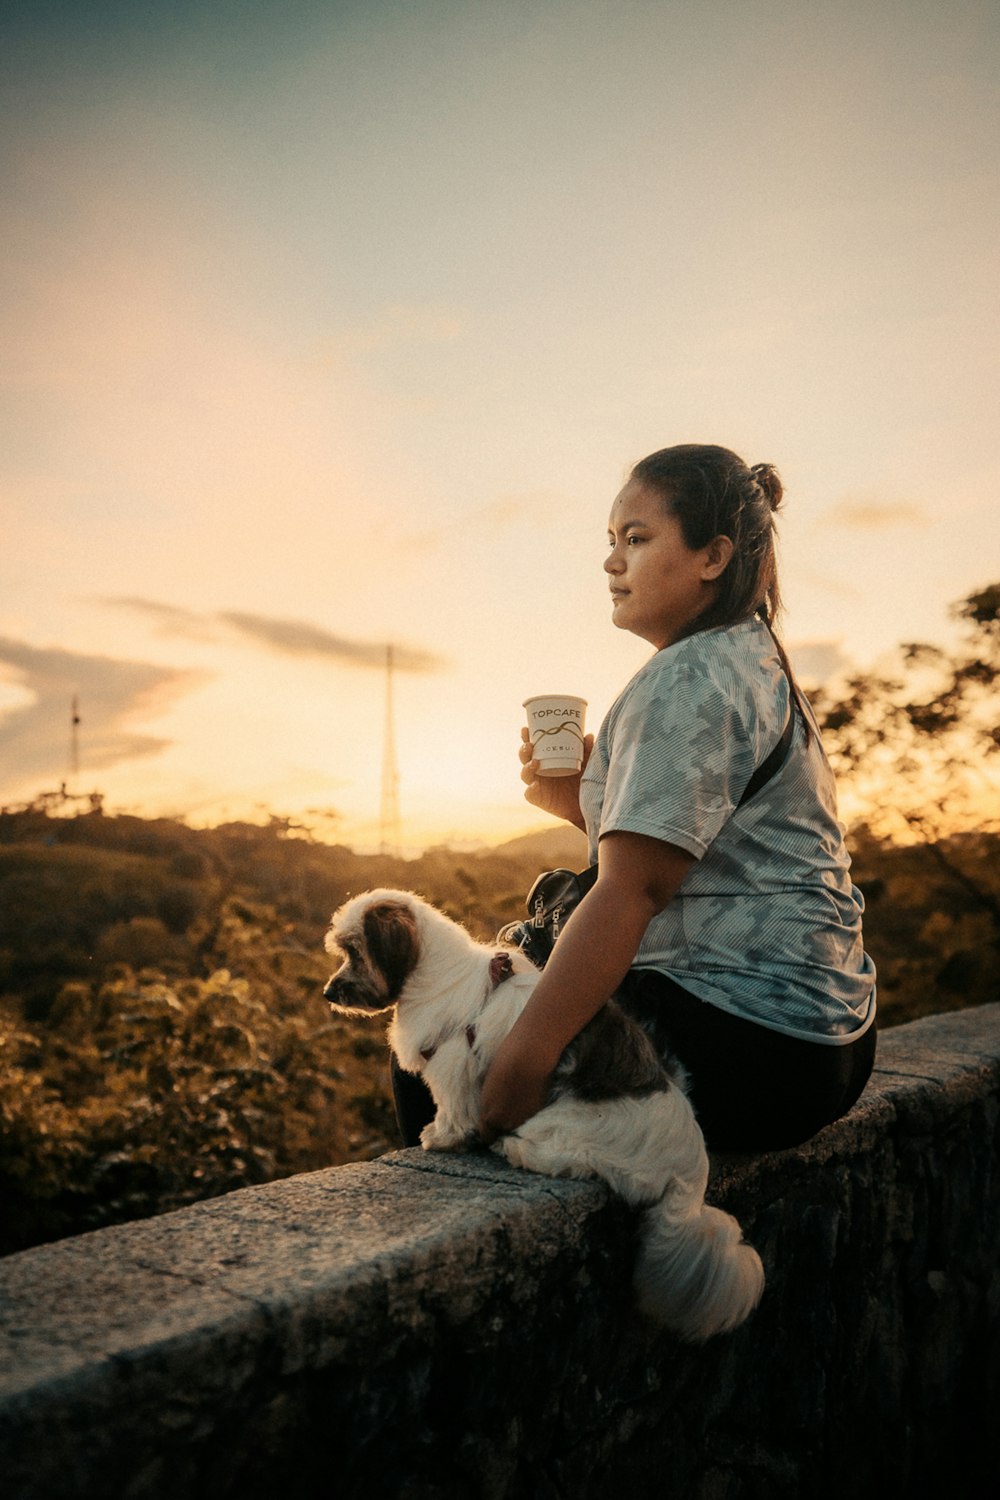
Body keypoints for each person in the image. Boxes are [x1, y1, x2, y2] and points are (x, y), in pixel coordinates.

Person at [474, 442, 877, 1153]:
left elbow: (632, 893)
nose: (611, 561)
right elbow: (709, 857)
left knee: (447, 1050)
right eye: (610, 541)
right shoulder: (754, 658)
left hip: (745, 1044)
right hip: (827, 1042)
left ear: (712, 556)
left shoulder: (686, 679)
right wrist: (581, 804)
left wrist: (519, 1067)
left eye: (637, 538)